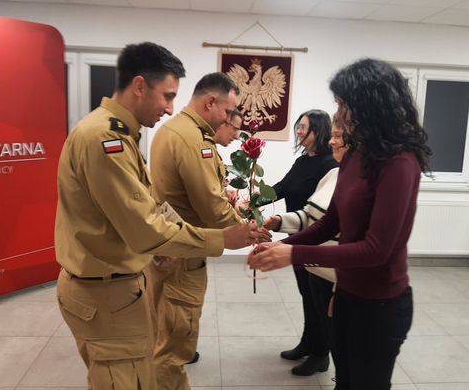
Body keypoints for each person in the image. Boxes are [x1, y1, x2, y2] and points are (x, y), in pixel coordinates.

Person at [55, 43, 265, 390]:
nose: (169, 108)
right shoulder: (104, 139)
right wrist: (224, 238)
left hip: (120, 282)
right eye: (167, 96)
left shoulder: (119, 133)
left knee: (149, 365)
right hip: (105, 291)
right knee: (145, 370)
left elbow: (146, 204)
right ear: (139, 86)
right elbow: (146, 228)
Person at [248, 58, 432, 390]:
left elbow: (376, 250)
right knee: (344, 381)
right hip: (347, 294)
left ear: (370, 105)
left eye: (343, 105)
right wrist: (281, 246)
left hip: (380, 305)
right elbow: (329, 223)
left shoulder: (400, 163)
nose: (339, 114)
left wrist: (293, 255)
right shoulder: (356, 155)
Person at [145, 73, 270, 390]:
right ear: (211, 102)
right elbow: (212, 209)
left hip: (166, 249)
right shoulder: (193, 140)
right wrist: (247, 230)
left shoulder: (172, 130)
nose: (229, 120)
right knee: (173, 349)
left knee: (161, 333)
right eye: (228, 112)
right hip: (183, 257)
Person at [264, 117, 347, 376]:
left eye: (303, 127)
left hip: (320, 250)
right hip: (301, 239)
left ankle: (320, 354)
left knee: (321, 304)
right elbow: (285, 190)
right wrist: (258, 202)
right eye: (298, 126)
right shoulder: (307, 163)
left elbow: (326, 223)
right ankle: (309, 343)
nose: (299, 132)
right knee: (308, 297)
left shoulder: (330, 165)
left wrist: (288, 246)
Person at [214, 109, 243, 206]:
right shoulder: (203, 148)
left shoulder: (211, 148)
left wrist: (226, 194)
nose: (236, 136)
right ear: (222, 122)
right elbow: (207, 197)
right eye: (235, 129)